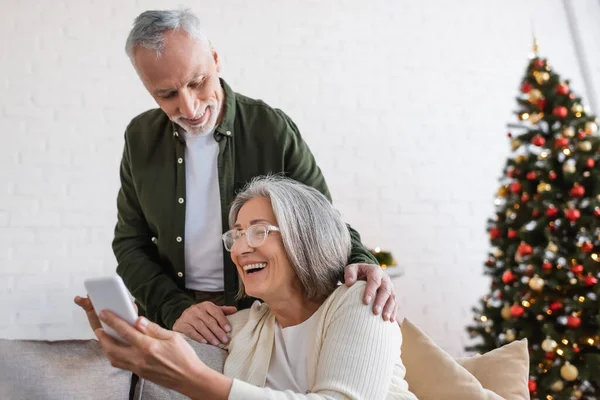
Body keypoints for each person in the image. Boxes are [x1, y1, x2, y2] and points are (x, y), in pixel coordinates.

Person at [114, 7, 398, 344]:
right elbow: (130, 243)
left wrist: (362, 261)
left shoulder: (272, 128)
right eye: (168, 95)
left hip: (265, 316)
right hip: (175, 318)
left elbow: (323, 223)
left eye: (197, 82)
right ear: (149, 89)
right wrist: (173, 308)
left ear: (215, 59)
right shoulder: (139, 137)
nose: (189, 108)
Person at [76, 176, 417, 399]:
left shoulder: (361, 302)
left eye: (257, 231)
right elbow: (163, 357)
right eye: (236, 235)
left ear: (306, 236)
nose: (239, 250)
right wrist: (124, 331)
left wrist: (201, 382)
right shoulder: (246, 325)